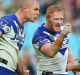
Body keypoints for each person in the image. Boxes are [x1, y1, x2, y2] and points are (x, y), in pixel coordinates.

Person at [32, 5, 77, 75]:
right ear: (47, 18)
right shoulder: (39, 34)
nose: (59, 22)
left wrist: (76, 73)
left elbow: (67, 51)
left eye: (61, 19)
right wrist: (62, 35)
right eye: (56, 19)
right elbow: (50, 53)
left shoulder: (62, 30)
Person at [0, 0, 40, 75]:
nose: (38, 13)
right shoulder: (8, 20)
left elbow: (16, 52)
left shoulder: (23, 30)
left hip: (11, 71)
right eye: (35, 9)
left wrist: (22, 71)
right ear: (25, 8)